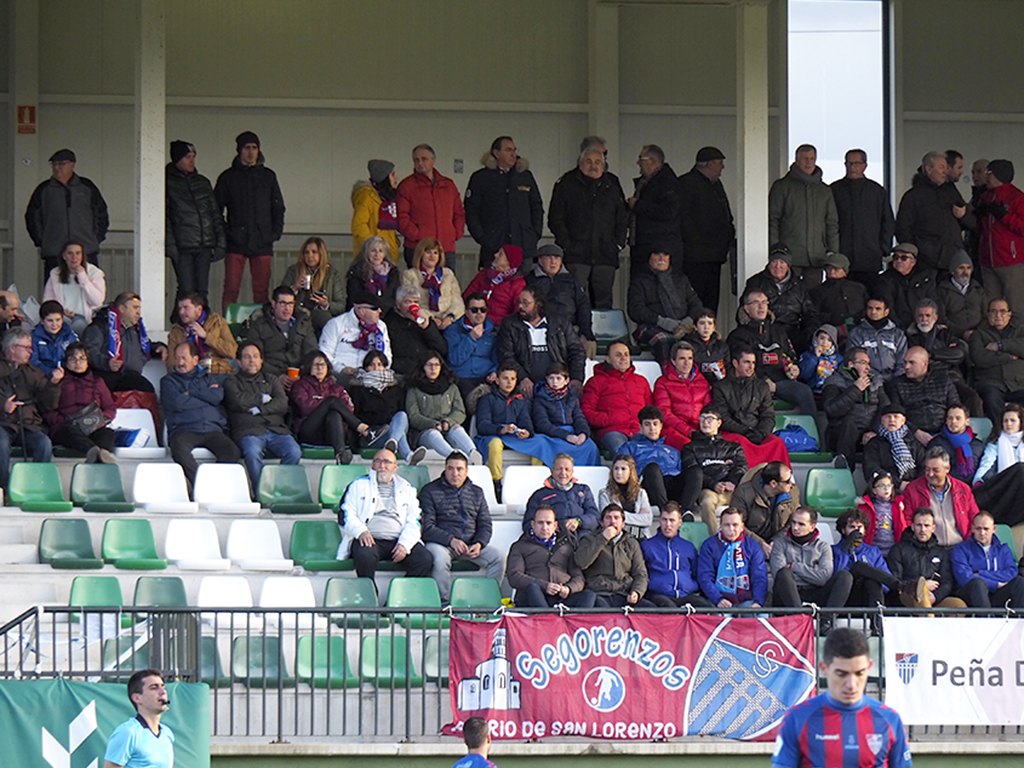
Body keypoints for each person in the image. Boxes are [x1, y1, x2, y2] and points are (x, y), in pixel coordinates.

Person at [772, 629, 911, 768]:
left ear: (869, 667)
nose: (851, 684)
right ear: (824, 668)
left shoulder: (889, 719)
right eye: (841, 674)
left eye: (859, 673)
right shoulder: (797, 719)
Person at [548, 144, 628, 308]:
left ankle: (602, 334)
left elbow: (622, 217)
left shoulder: (612, 184)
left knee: (604, 301)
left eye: (598, 162)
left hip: (605, 254)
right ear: (580, 163)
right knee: (574, 299)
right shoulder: (566, 183)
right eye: (589, 161)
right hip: (577, 254)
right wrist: (567, 244)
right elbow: (556, 218)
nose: (593, 166)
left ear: (603, 164)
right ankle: (575, 334)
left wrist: (618, 244)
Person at [420, 452, 505, 601]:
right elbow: (427, 527)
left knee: (498, 557)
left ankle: (486, 601)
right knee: (439, 559)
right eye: (450, 469)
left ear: (466, 471)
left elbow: (485, 523)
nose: (455, 473)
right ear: (445, 469)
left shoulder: (476, 492)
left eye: (459, 469)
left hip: (470, 544)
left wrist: (479, 543)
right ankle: (443, 603)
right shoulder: (430, 490)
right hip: (442, 544)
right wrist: (451, 541)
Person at [214, 131, 285, 309]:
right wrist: (228, 232)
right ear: (239, 150)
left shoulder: (268, 176)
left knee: (261, 291)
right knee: (231, 289)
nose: (251, 152)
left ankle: (261, 329)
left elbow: (278, 207)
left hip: (262, 241)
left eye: (254, 148)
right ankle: (227, 329)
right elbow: (215, 209)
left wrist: (275, 233)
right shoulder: (227, 177)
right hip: (236, 242)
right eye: (247, 148)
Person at [338, 449, 433, 578]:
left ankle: (399, 595)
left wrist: (404, 544)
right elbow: (345, 514)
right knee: (364, 555)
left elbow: (415, 521)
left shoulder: (407, 488)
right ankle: (370, 595)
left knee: (424, 559)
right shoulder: (358, 485)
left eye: (387, 462)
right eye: (378, 461)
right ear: (372, 465)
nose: (382, 466)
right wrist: (361, 532)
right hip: (370, 539)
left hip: (398, 539)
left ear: (395, 467)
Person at [161, 341, 241, 492]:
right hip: (184, 430)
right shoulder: (168, 381)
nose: (180, 362)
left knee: (232, 451)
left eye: (184, 358)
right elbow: (177, 403)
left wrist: (190, 393)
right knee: (179, 449)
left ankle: (212, 483)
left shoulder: (209, 378)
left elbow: (217, 396)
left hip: (212, 430)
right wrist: (205, 399)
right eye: (177, 358)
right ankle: (202, 485)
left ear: (195, 360)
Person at [223, 342, 302, 493]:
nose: (252, 360)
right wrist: (264, 398)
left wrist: (258, 409)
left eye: (255, 356)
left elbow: (282, 403)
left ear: (261, 360)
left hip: (276, 429)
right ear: (239, 362)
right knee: (252, 452)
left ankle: (277, 489)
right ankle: (262, 493)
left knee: (294, 451)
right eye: (247, 357)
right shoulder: (231, 381)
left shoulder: (271, 379)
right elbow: (238, 400)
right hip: (248, 430)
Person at [727, 289, 816, 418]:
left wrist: (794, 367)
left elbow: (790, 355)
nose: (761, 306)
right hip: (753, 383)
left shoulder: (778, 331)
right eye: (756, 302)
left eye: (764, 302)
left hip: (781, 381)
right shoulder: (738, 335)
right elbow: (741, 364)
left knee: (805, 392)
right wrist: (764, 380)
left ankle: (810, 435)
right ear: (746, 308)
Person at [25, 148, 109, 277]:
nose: (57, 168)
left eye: (61, 164)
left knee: (88, 288)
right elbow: (32, 217)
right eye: (54, 164)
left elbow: (101, 213)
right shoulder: (44, 190)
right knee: (54, 290)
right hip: (55, 252)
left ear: (73, 165)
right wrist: (42, 241)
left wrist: (95, 238)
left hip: (86, 251)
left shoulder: (86, 187)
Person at [465, 136, 543, 267]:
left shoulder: (524, 176)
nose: (514, 154)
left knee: (524, 286)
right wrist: (483, 238)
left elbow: (536, 207)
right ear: (496, 153)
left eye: (514, 150)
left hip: (524, 247)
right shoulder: (481, 178)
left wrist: (534, 234)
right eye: (508, 150)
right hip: (494, 248)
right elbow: (471, 210)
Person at [0, 328, 61, 494]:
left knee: (44, 443)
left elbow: (48, 405)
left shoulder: (33, 373)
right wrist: (2, 405)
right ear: (12, 348)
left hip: (28, 424)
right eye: (26, 347)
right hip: (3, 423)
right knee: (1, 444)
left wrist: (54, 385)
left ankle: (37, 488)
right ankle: (3, 490)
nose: (31, 351)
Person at [496, 288, 586, 397]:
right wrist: (523, 378)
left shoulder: (560, 323)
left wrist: (576, 378)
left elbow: (577, 352)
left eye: (525, 303)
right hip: (524, 387)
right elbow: (506, 355)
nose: (520, 306)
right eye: (519, 302)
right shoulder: (510, 324)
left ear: (538, 304)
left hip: (557, 386)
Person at [895, 150, 975, 273]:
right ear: (928, 169)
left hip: (952, 260)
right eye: (941, 167)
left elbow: (971, 223)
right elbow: (903, 230)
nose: (945, 172)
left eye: (946, 168)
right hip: (925, 263)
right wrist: (920, 250)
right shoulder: (913, 196)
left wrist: (963, 215)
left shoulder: (951, 192)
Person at [165, 139, 225, 300]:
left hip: (205, 245)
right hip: (182, 246)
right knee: (187, 289)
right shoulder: (166, 183)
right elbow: (165, 217)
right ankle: (182, 322)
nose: (192, 161)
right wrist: (170, 244)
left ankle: (201, 322)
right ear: (177, 159)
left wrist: (220, 242)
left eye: (193, 156)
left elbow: (215, 214)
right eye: (187, 157)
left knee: (202, 290)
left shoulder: (203, 182)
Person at [473, 364, 551, 487]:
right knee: (495, 444)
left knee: (540, 442)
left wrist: (527, 432)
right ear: (497, 380)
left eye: (513, 379)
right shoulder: (487, 399)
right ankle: (496, 481)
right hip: (493, 435)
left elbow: (526, 421)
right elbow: (482, 425)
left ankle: (537, 480)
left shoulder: (520, 400)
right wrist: (500, 429)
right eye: (505, 378)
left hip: (513, 437)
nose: (509, 382)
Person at [677, 146, 735, 310]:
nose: (723, 167)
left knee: (711, 301)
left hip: (714, 257)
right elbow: (683, 219)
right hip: (694, 258)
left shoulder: (716, 185)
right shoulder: (686, 184)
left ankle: (708, 333)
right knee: (695, 301)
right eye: (720, 163)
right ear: (710, 164)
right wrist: (697, 242)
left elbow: (725, 214)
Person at [507, 504, 596, 608]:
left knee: (589, 595)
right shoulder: (519, 546)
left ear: (555, 525)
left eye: (548, 523)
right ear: (533, 524)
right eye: (540, 523)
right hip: (532, 596)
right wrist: (544, 586)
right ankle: (548, 620)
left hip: (560, 597)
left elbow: (579, 578)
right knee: (533, 588)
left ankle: (576, 624)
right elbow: (514, 576)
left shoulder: (567, 546)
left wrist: (569, 589)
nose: (544, 527)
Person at [712, 347, 790, 466]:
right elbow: (723, 417)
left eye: (753, 363)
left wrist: (762, 432)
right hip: (733, 432)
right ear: (735, 363)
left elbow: (768, 415)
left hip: (757, 432)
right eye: (746, 362)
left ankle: (781, 480)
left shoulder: (762, 386)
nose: (751, 367)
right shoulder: (721, 387)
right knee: (741, 442)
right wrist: (745, 431)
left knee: (777, 442)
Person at [829, 148, 896, 285]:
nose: (853, 167)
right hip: (842, 258)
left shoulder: (876, 191)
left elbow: (888, 221)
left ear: (865, 165)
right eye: (849, 163)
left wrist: (883, 248)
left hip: (870, 257)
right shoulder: (834, 190)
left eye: (857, 163)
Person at [903, 298, 980, 415]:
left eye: (928, 315)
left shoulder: (945, 333)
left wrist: (931, 355)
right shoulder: (909, 336)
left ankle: (975, 432)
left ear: (935, 318)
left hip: (950, 376)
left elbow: (959, 354)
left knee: (972, 398)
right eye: (920, 316)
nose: (924, 319)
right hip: (923, 378)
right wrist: (945, 356)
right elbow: (913, 362)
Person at [768, 144, 839, 270]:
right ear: (796, 160)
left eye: (812, 159)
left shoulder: (824, 190)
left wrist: (833, 252)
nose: (809, 162)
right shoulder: (782, 187)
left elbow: (831, 223)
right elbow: (773, 219)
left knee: (815, 290)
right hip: (788, 256)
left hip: (817, 257)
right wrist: (776, 250)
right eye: (805, 158)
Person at [45, 341, 117, 464]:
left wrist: (100, 419)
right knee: (70, 431)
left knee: (107, 433)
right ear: (66, 361)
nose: (78, 363)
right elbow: (46, 409)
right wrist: (64, 421)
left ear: (88, 361)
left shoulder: (97, 381)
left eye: (82, 359)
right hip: (65, 427)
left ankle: (102, 454)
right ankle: (93, 452)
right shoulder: (57, 381)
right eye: (73, 359)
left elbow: (110, 407)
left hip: (92, 426)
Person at [348, 350, 425, 465]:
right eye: (372, 365)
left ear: (385, 367)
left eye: (380, 364)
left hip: (393, 428)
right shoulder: (357, 390)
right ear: (365, 368)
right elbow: (358, 415)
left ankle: (393, 442)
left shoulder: (395, 389)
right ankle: (408, 456)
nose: (376, 368)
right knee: (397, 433)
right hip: (371, 435)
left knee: (402, 415)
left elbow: (400, 412)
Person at [396, 143, 466, 267]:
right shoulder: (406, 186)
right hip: (418, 249)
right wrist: (418, 236)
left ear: (434, 161)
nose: (420, 163)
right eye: (416, 160)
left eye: (424, 159)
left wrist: (456, 232)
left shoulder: (448, 185)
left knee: (447, 284)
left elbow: (459, 212)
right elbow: (401, 216)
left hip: (446, 247)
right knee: (418, 285)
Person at [627, 249, 703, 362]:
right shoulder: (640, 280)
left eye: (665, 254)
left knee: (698, 339)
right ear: (649, 257)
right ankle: (668, 377)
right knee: (665, 341)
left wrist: (688, 320)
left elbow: (696, 304)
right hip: (651, 326)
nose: (661, 258)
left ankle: (693, 378)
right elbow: (635, 309)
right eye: (657, 254)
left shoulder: (681, 279)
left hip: (683, 326)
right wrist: (661, 321)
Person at [680, 405, 747, 533]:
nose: (705, 422)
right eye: (702, 418)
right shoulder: (690, 448)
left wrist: (732, 482)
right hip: (710, 490)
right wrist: (713, 484)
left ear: (719, 423)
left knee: (763, 470)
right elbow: (692, 472)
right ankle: (715, 539)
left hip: (734, 490)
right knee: (706, 502)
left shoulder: (734, 447)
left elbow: (742, 467)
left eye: (710, 418)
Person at [821, 346, 890, 470]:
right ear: (851, 364)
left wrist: (874, 430)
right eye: (863, 363)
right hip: (841, 434)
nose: (868, 368)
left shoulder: (875, 381)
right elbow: (831, 410)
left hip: (869, 432)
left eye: (868, 363)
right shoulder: (834, 381)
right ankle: (844, 470)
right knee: (848, 424)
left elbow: (885, 408)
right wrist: (855, 390)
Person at [770, 507, 851, 612]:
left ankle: (827, 621)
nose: (795, 528)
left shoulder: (823, 547)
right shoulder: (780, 543)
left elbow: (824, 578)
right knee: (784, 573)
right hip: (788, 594)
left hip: (816, 592)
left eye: (801, 524)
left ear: (812, 527)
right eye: (793, 522)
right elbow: (778, 574)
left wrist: (793, 566)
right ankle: (799, 618)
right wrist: (813, 573)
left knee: (845, 576)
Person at [290, 351, 364, 465]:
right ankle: (363, 428)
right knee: (332, 401)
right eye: (316, 365)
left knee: (334, 413)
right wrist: (326, 405)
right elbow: (304, 407)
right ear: (309, 366)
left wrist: (326, 406)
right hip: (310, 431)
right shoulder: (300, 386)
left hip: (333, 432)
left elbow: (349, 410)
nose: (320, 368)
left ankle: (340, 454)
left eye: (323, 364)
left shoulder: (337, 388)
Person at [83, 292, 166, 393]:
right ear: (122, 308)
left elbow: (144, 346)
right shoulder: (100, 325)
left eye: (139, 308)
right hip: (105, 376)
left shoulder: (137, 329)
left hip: (131, 376)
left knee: (148, 392)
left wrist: (158, 348)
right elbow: (89, 351)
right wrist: (107, 362)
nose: (139, 312)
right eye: (135, 308)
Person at [405, 353, 480, 462]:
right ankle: (453, 458)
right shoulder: (414, 389)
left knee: (458, 429)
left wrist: (448, 422)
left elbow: (460, 411)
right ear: (422, 367)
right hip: (425, 432)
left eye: (436, 365)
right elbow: (413, 416)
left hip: (447, 428)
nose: (433, 368)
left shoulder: (451, 387)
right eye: (429, 365)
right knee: (433, 434)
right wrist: (433, 424)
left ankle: (473, 454)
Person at [885, 507, 966, 608]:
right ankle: (928, 621)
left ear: (933, 528)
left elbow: (947, 582)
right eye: (919, 525)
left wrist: (936, 596)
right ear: (913, 526)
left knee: (958, 605)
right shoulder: (898, 549)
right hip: (907, 596)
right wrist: (921, 585)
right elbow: (895, 581)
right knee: (920, 592)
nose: (922, 529)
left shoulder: (941, 552)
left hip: (934, 597)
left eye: (927, 526)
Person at [581, 341, 653, 454]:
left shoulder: (641, 381)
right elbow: (586, 410)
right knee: (623, 453)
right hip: (612, 430)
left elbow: (651, 410)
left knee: (648, 453)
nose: (623, 358)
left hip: (639, 430)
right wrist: (608, 419)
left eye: (626, 354)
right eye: (618, 355)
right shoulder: (596, 382)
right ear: (608, 359)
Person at [574, 503, 651, 608]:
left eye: (616, 518)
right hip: (599, 593)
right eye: (608, 518)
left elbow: (641, 574)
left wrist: (636, 592)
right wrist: (602, 539)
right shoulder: (589, 539)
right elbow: (581, 562)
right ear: (602, 523)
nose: (612, 521)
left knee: (653, 611)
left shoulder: (631, 543)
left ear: (623, 523)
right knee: (606, 612)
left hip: (624, 594)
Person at [742, 245, 819, 350]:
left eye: (782, 262)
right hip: (764, 333)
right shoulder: (756, 282)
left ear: (788, 264)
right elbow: (743, 310)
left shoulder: (800, 285)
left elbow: (810, 313)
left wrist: (809, 333)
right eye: (774, 262)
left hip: (793, 333)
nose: (778, 266)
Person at [899, 446, 978, 546]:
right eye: (927, 469)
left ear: (947, 469)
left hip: (960, 547)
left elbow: (975, 519)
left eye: (935, 470)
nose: (930, 474)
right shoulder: (912, 489)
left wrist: (968, 543)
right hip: (928, 549)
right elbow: (907, 520)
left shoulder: (963, 489)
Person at [524, 243, 594, 349]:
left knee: (589, 344)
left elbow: (583, 305)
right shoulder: (530, 280)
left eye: (556, 258)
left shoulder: (571, 280)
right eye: (548, 257)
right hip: (540, 329)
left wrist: (585, 329)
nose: (553, 262)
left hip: (570, 328)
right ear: (540, 261)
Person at [640, 502, 711, 607]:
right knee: (670, 609)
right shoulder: (647, 546)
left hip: (686, 595)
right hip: (659, 595)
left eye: (672, 520)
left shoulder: (688, 547)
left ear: (680, 522)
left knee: (707, 608)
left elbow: (697, 574)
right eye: (664, 520)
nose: (668, 525)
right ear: (659, 521)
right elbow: (641, 574)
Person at [977, 158, 1024, 316]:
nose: (986, 177)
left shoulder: (1017, 197)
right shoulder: (986, 197)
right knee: (991, 306)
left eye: (988, 173)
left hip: (1011, 261)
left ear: (997, 175)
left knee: (1015, 304)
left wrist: (1005, 216)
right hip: (988, 260)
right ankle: (992, 338)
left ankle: (1017, 338)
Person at [831, 507, 900, 613]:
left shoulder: (873, 551)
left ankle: (876, 624)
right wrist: (846, 549)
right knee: (859, 566)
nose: (856, 531)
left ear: (865, 530)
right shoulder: (834, 550)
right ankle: (899, 586)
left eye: (859, 527)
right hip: (845, 598)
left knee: (872, 580)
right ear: (843, 530)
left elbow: (885, 586)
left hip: (867, 598)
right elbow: (836, 575)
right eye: (852, 527)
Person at [696, 507, 768, 608]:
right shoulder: (709, 545)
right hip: (718, 601)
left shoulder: (752, 546)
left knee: (761, 618)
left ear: (742, 527)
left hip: (747, 601)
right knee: (721, 620)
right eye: (727, 525)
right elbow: (705, 577)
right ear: (720, 526)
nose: (731, 529)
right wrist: (718, 599)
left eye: (735, 525)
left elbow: (759, 577)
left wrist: (758, 602)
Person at [627, 144, 682, 274]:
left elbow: (669, 211)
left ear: (652, 161)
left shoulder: (667, 183)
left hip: (658, 249)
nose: (638, 162)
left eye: (641, 158)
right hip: (645, 247)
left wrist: (637, 205)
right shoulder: (647, 182)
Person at [242, 286, 317, 381]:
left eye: (291, 304)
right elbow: (255, 358)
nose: (287, 308)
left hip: (300, 378)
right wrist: (278, 376)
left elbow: (312, 353)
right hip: (269, 378)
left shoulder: (303, 323)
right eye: (283, 303)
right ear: (273, 304)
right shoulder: (260, 325)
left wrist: (301, 375)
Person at [531, 362, 599, 466]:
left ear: (566, 381)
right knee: (541, 444)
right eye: (551, 378)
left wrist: (583, 434)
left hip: (572, 433)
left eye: (558, 378)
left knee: (591, 446)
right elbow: (542, 424)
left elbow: (579, 418)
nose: (554, 382)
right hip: (552, 436)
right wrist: (566, 436)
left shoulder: (572, 398)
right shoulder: (540, 399)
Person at [951, 510, 1024, 608]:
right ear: (972, 528)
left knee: (1019, 582)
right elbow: (964, 578)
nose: (982, 533)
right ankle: (987, 620)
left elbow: (1011, 573)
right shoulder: (960, 549)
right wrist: (995, 584)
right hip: (970, 596)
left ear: (993, 529)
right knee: (977, 583)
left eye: (986, 529)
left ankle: (1020, 621)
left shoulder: (1003, 549)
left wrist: (980, 574)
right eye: (978, 529)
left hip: (997, 595)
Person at [969, 297, 1024, 424]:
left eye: (1002, 311)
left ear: (1009, 315)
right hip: (991, 383)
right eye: (993, 311)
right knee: (991, 399)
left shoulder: (1020, 331)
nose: (998, 315)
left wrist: (1001, 346)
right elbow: (979, 358)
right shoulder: (979, 334)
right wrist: (1008, 356)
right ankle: (998, 435)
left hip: (1019, 383)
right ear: (988, 315)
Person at [618, 405, 685, 510]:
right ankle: (666, 511)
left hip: (672, 487)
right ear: (640, 427)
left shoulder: (672, 450)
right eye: (647, 424)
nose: (652, 428)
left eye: (655, 424)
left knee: (695, 471)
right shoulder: (631, 447)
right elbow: (620, 467)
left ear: (661, 426)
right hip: (648, 487)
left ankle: (686, 510)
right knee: (653, 468)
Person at [103, 669, 173, 768]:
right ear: (137, 698)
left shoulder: (167, 734)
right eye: (154, 687)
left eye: (162, 686)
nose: (163, 692)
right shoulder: (128, 732)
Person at [888, 346, 959, 442]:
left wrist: (946, 430)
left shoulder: (943, 380)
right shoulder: (897, 384)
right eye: (905, 362)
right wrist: (915, 432)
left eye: (912, 363)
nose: (906, 367)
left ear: (925, 364)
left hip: (945, 433)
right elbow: (896, 414)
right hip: (912, 436)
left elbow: (956, 408)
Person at [523, 453, 600, 539]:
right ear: (552, 471)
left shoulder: (584, 490)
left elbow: (595, 518)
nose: (563, 473)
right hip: (554, 541)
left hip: (583, 539)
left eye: (567, 469)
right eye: (559, 469)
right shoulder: (539, 495)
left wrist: (578, 521)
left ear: (572, 472)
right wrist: (551, 528)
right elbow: (528, 524)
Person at [971, 403, 1024, 525]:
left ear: (1021, 422)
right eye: (1005, 421)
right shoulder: (995, 443)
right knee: (1020, 470)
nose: (1008, 424)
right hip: (1003, 487)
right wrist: (979, 481)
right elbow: (986, 465)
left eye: (1012, 420)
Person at [652, 340, 711, 450]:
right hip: (675, 430)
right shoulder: (663, 382)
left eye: (690, 358)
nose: (687, 363)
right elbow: (664, 413)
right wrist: (688, 431)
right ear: (673, 361)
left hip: (701, 428)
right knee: (692, 448)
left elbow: (709, 408)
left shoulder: (702, 381)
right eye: (682, 358)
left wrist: (706, 427)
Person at [731, 461, 801, 553]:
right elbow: (736, 525)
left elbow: (793, 522)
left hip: (781, 543)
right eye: (787, 481)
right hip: (748, 545)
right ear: (773, 484)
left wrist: (775, 542)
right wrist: (761, 544)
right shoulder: (743, 493)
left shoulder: (793, 491)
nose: (792, 483)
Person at [282, 237, 346, 333]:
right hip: (298, 312)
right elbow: (281, 296)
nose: (310, 256)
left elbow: (341, 306)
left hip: (321, 314)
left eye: (314, 252)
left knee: (324, 318)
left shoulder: (332, 274)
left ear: (321, 254)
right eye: (306, 252)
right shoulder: (293, 271)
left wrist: (326, 304)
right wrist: (294, 288)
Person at [41, 240, 106, 335]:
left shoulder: (94, 273)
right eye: (70, 253)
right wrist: (61, 311)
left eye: (78, 253)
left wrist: (83, 279)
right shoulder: (55, 274)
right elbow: (47, 302)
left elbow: (97, 301)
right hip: (61, 318)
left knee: (78, 326)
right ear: (64, 256)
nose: (74, 257)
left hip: (86, 319)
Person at [444, 292, 498, 400]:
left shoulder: (492, 331)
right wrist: (471, 338)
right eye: (474, 310)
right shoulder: (453, 330)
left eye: (483, 310)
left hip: (485, 377)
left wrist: (494, 371)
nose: (479, 313)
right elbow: (454, 359)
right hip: (462, 378)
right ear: (466, 312)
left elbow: (496, 357)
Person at [401, 237, 465, 329]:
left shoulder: (448, 274)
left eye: (436, 253)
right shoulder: (410, 275)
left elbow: (457, 300)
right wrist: (431, 318)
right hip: (422, 321)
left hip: (448, 322)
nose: (432, 256)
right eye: (428, 252)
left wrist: (450, 318)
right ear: (421, 254)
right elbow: (410, 303)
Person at [166, 293, 237, 375]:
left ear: (199, 309)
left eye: (186, 308)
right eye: (180, 308)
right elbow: (171, 363)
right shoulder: (176, 331)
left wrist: (206, 336)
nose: (182, 312)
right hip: (191, 377)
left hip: (218, 373)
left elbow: (232, 352)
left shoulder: (217, 322)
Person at [386, 286, 449, 377]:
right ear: (398, 305)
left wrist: (427, 327)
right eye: (407, 302)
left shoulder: (426, 321)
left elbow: (442, 349)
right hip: (403, 373)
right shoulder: (389, 323)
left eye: (416, 302)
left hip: (426, 372)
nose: (412, 306)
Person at [874, 242, 938, 331]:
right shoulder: (884, 281)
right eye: (895, 257)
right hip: (897, 330)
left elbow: (934, 303)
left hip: (925, 326)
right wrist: (904, 329)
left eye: (903, 258)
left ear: (913, 262)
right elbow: (887, 308)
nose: (898, 261)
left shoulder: (926, 279)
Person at [320, 302, 392, 378]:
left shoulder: (381, 327)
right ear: (362, 311)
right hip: (341, 375)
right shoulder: (336, 324)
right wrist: (341, 369)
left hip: (372, 375)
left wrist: (378, 370)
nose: (380, 311)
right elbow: (324, 354)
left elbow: (386, 356)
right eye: (375, 308)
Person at [845, 295, 907, 382]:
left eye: (878, 309)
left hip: (895, 382)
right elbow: (853, 361)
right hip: (867, 381)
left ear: (886, 312)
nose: (873, 312)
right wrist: (875, 378)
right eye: (870, 308)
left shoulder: (898, 334)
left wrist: (897, 381)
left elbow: (903, 361)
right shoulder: (856, 334)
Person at [864, 403, 925, 490]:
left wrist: (914, 485)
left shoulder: (914, 443)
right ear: (882, 420)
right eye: (888, 417)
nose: (892, 420)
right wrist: (899, 484)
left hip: (914, 489)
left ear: (903, 421)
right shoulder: (874, 444)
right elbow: (872, 470)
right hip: (885, 490)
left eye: (896, 417)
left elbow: (924, 466)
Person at [807, 251, 868, 340]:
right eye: (829, 268)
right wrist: (834, 318)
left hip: (860, 331)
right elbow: (813, 315)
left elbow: (868, 308)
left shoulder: (858, 288)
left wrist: (855, 319)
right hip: (830, 334)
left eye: (836, 269)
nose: (831, 272)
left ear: (845, 271)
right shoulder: (817, 291)